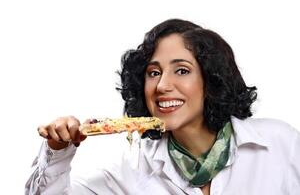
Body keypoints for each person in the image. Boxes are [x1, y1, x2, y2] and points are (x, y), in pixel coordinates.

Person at [25, 19, 300, 195]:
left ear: (211, 78)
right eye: (153, 73)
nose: (161, 86)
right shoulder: (129, 169)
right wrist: (57, 151)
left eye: (181, 71)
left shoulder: (280, 144)